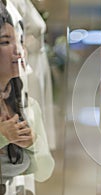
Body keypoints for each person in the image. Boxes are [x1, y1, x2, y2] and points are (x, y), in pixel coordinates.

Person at [0, 2, 54, 184]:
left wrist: (33, 143)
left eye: (21, 41)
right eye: (6, 42)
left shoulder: (28, 106)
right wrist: (2, 136)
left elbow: (44, 173)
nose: (18, 50)